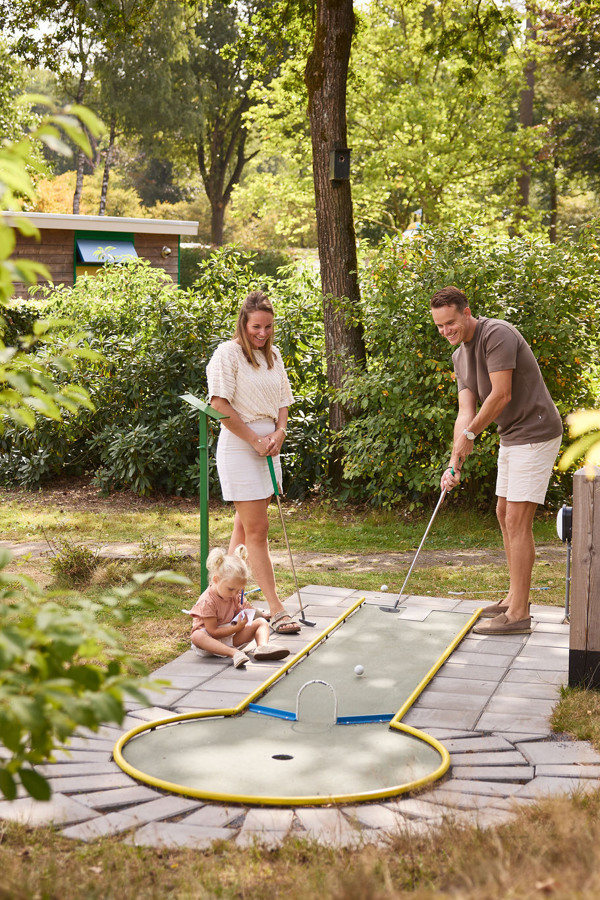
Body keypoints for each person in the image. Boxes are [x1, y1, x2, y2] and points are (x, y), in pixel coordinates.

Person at [430, 286, 563, 636]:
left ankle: (519, 613)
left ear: (466, 312)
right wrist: (454, 457)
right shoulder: (460, 356)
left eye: (450, 323)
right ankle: (512, 597)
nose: (446, 331)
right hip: (512, 436)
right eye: (440, 326)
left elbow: (501, 395)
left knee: (518, 519)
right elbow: (466, 412)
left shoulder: (497, 334)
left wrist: (471, 436)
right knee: (504, 513)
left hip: (535, 432)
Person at [206, 290, 300, 635]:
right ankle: (276, 609)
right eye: (256, 327)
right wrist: (255, 439)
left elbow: (283, 402)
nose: (263, 333)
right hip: (241, 448)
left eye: (269, 327)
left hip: (268, 448)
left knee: (243, 529)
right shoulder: (227, 354)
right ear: (243, 324)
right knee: (258, 530)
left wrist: (280, 433)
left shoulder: (273, 355)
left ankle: (223, 601)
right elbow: (219, 405)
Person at [189, 545, 290, 667]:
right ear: (215, 580)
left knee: (261, 622)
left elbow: (244, 607)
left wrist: (259, 614)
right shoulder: (207, 601)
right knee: (197, 636)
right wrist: (237, 628)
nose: (234, 594)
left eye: (239, 590)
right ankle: (234, 653)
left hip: (230, 637)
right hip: (211, 643)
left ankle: (262, 647)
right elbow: (213, 632)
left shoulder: (233, 595)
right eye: (231, 589)